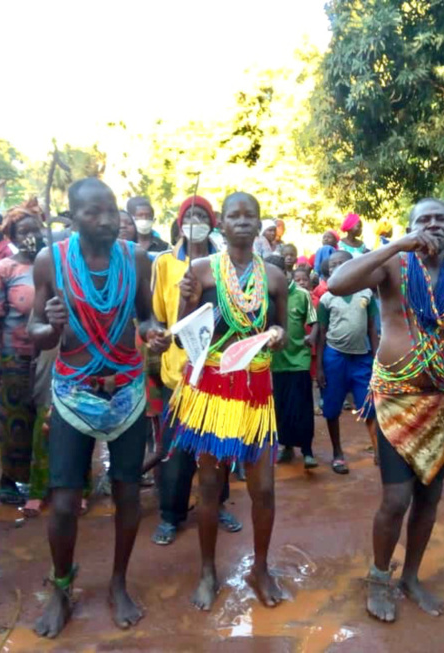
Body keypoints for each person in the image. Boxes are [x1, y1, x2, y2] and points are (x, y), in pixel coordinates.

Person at [327, 198, 444, 622]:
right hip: (395, 399)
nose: (433, 225)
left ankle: (410, 576)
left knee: (430, 498)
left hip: (441, 402)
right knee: (396, 499)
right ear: (410, 227)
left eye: (439, 218)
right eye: (423, 220)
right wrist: (397, 245)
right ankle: (379, 577)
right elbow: (337, 283)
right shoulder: (391, 266)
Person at [28, 178, 167, 638]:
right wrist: (48, 325)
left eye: (111, 210)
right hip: (73, 391)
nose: (106, 219)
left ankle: (118, 582)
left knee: (129, 495)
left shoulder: (136, 257)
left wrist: (152, 331)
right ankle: (61, 587)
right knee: (65, 503)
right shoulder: (51, 259)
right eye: (93, 212)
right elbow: (35, 334)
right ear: (72, 217)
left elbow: (145, 314)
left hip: (125, 390)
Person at [166, 191, 288, 611]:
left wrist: (274, 336)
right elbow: (184, 332)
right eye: (233, 215)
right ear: (221, 223)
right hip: (212, 390)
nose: (241, 221)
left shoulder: (274, 277)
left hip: (255, 390)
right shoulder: (200, 270)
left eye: (248, 215)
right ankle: (207, 571)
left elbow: (283, 329)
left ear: (258, 224)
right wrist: (185, 296)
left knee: (265, 490)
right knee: (211, 485)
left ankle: (260, 568)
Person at [150, 196, 242, 546]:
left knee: (218, 446)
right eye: (189, 215)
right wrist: (157, 338)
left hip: (219, 370)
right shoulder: (164, 263)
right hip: (179, 374)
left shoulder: (226, 262)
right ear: (179, 221)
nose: (195, 221)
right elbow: (158, 315)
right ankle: (170, 515)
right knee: (176, 448)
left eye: (202, 215)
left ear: (213, 221)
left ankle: (216, 505)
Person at [0, 199, 43, 506]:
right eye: (24, 231)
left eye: (35, 228)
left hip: (47, 355)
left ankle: (41, 479)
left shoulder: (51, 263)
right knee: (15, 419)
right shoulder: (3, 269)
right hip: (13, 355)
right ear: (13, 236)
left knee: (45, 418)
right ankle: (10, 477)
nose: (31, 235)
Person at [316, 250, 379, 474]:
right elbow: (321, 334)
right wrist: (320, 367)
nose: (337, 268)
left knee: (369, 405)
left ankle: (378, 450)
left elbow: (372, 327)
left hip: (362, 357)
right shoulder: (326, 297)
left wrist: (375, 358)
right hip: (335, 356)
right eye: (333, 265)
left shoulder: (367, 294)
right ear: (327, 270)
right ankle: (337, 453)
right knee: (332, 408)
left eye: (342, 263)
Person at [267, 255, 319, 468]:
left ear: (284, 273)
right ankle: (286, 447)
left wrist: (312, 338)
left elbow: (314, 322)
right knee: (280, 406)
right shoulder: (264, 295)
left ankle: (307, 450)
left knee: (302, 405)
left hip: (299, 358)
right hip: (274, 361)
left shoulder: (302, 295)